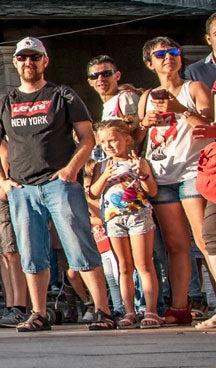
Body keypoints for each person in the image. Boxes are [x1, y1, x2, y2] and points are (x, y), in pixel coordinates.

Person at [0, 36, 116, 332]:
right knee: (31, 253)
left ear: (45, 61)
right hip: (22, 188)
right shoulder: (6, 101)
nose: (28, 63)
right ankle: (39, 313)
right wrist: (2, 182)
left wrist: (72, 169)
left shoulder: (62, 95)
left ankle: (103, 311)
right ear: (16, 62)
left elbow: (87, 137)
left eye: (34, 57)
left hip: (60, 183)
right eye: (23, 58)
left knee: (80, 247)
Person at [137, 36, 213, 326]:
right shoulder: (146, 96)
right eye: (160, 54)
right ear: (149, 63)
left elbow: (210, 126)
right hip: (162, 175)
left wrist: (179, 109)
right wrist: (143, 124)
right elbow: (135, 136)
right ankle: (180, 307)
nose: (168, 57)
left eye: (173, 52)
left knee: (206, 241)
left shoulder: (194, 88)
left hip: (193, 171)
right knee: (176, 245)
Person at [89, 119, 162, 328]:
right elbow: (93, 192)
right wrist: (104, 176)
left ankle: (151, 310)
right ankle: (128, 311)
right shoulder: (102, 165)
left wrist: (143, 174)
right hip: (113, 219)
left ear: (127, 139)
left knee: (144, 264)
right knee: (124, 267)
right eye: (103, 142)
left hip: (138, 215)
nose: (109, 146)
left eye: (113, 140)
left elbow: (152, 191)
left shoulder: (137, 161)